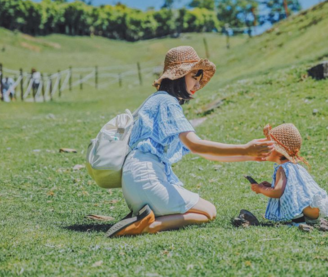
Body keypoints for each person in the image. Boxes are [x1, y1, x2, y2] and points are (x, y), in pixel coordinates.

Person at [106, 46, 274, 238]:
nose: (197, 84)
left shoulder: (156, 100)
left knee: (205, 210)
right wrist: (246, 149)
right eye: (195, 76)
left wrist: (248, 154)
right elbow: (197, 145)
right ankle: (148, 225)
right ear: (179, 75)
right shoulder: (168, 102)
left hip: (132, 186)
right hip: (146, 180)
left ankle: (143, 218)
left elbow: (204, 152)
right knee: (208, 211)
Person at [250, 123, 328, 225]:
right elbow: (289, 188)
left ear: (278, 151)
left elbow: (277, 193)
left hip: (306, 210)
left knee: (288, 202)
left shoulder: (282, 169)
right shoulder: (293, 166)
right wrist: (270, 186)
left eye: (268, 146)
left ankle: (298, 221)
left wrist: (261, 189)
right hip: (314, 207)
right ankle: (302, 219)